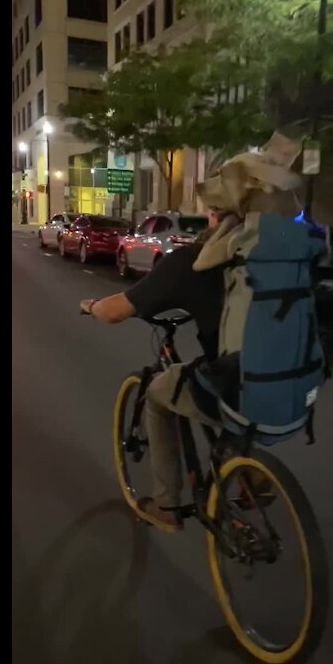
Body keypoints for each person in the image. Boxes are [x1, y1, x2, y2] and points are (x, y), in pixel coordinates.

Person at [79, 211, 229, 532]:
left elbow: (116, 310)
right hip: (299, 385)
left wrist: (92, 306)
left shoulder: (196, 259)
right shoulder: (278, 259)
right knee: (251, 379)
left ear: (216, 214)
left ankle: (167, 504)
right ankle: (249, 474)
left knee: (158, 396)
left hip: (233, 385)